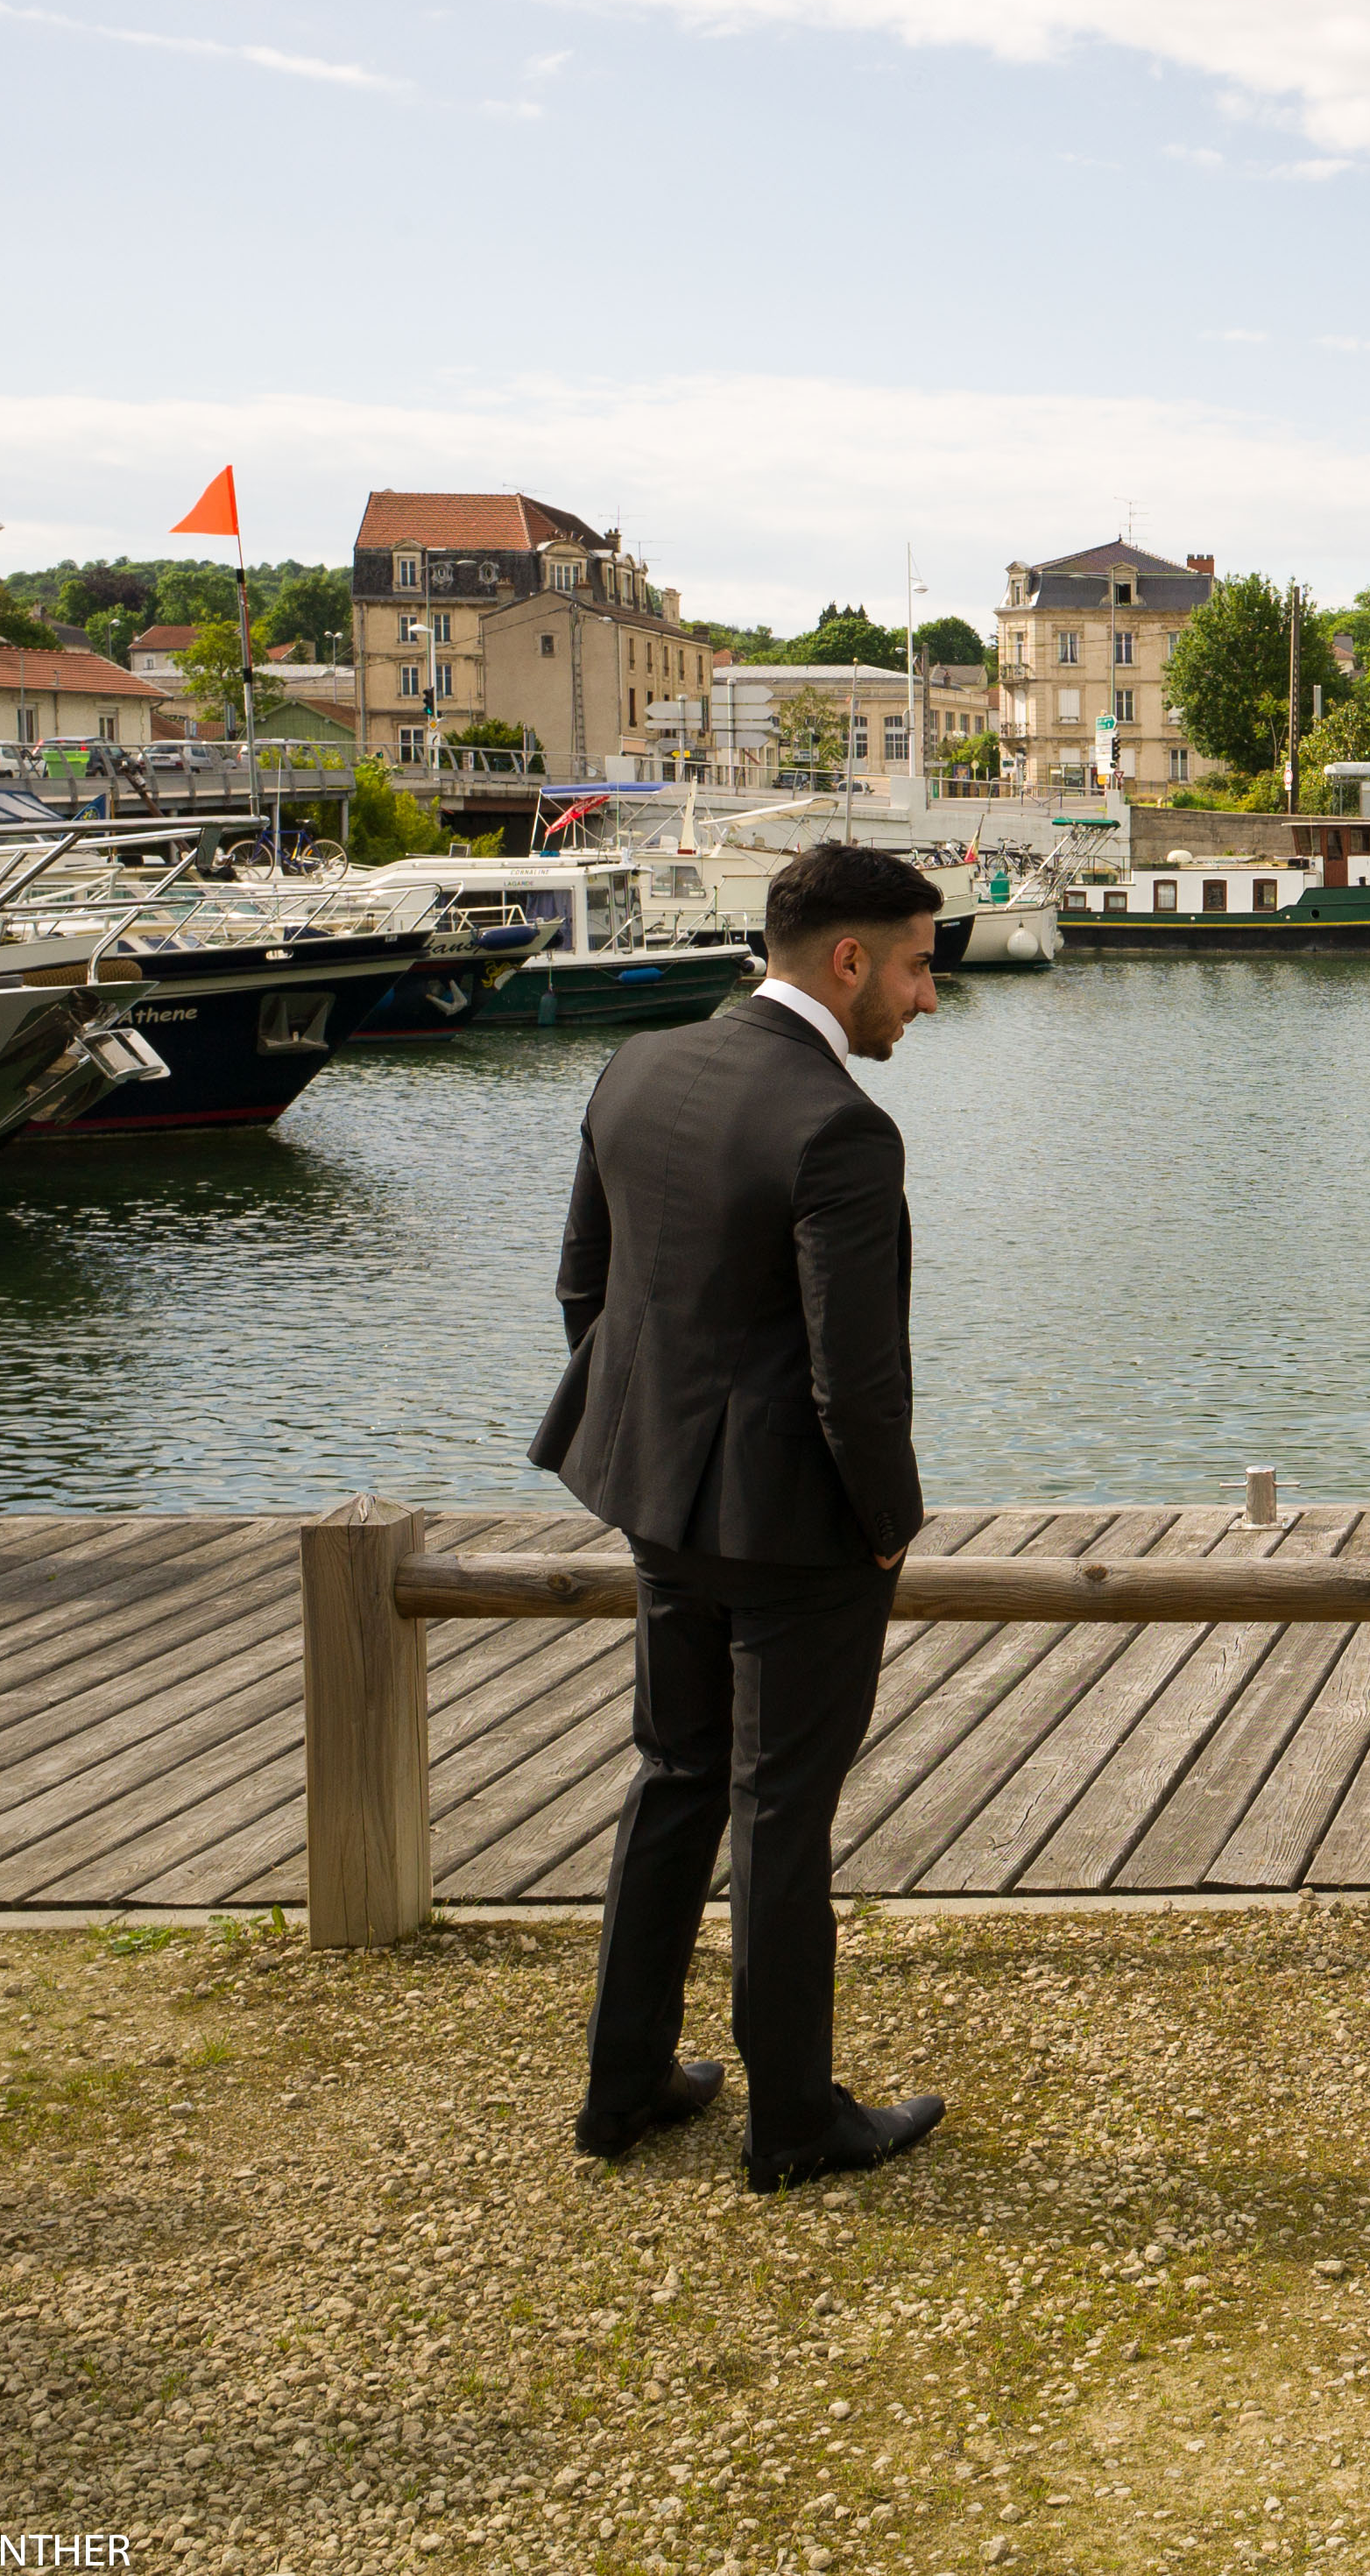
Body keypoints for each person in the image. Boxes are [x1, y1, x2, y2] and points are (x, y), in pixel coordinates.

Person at [534, 841, 951, 2191]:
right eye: (917, 967)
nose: (927, 998)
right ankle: (794, 2125)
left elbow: (586, 1289)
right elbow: (855, 1378)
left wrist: (652, 1448)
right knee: (781, 1812)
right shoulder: (841, 1128)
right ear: (849, 961)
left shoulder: (638, 1066)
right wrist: (889, 1525)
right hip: (797, 1533)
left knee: (674, 1776)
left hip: (655, 1497)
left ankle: (624, 2087)